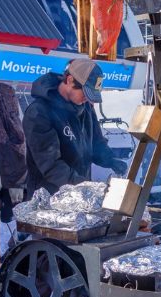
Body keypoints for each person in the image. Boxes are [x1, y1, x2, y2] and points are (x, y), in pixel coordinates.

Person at [22, 58, 128, 198]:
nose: (88, 99)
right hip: (49, 198)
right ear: (70, 80)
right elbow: (51, 165)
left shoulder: (86, 109)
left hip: (79, 195)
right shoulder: (39, 112)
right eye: (85, 92)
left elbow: (96, 143)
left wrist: (110, 160)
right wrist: (83, 186)